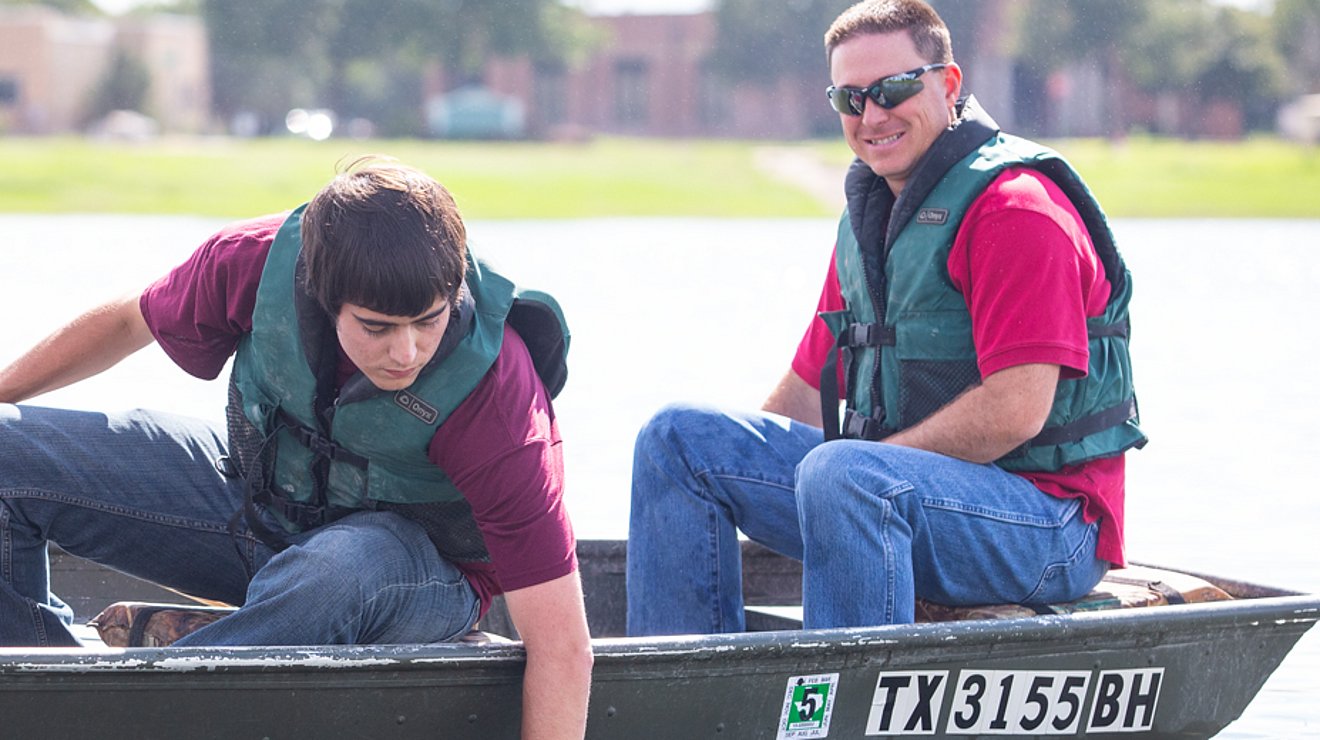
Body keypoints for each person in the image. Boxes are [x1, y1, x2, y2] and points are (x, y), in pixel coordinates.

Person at [0, 158, 592, 738]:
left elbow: (564, 649)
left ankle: (132, 710)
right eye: (377, 327)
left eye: (428, 321)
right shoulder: (251, 263)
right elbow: (131, 322)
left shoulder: (499, 404)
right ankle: (40, 704)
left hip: (410, 580)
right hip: (263, 509)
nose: (406, 353)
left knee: (336, 571)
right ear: (323, 294)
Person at [627, 0, 1146, 635]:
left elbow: (1018, 409)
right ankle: (687, 695)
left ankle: (836, 715)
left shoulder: (1015, 210)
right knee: (677, 440)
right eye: (849, 98)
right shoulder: (870, 219)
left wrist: (849, 479)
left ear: (948, 84)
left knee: (842, 474)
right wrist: (741, 495)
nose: (872, 115)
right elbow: (802, 396)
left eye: (893, 89)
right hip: (892, 495)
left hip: (1049, 527)